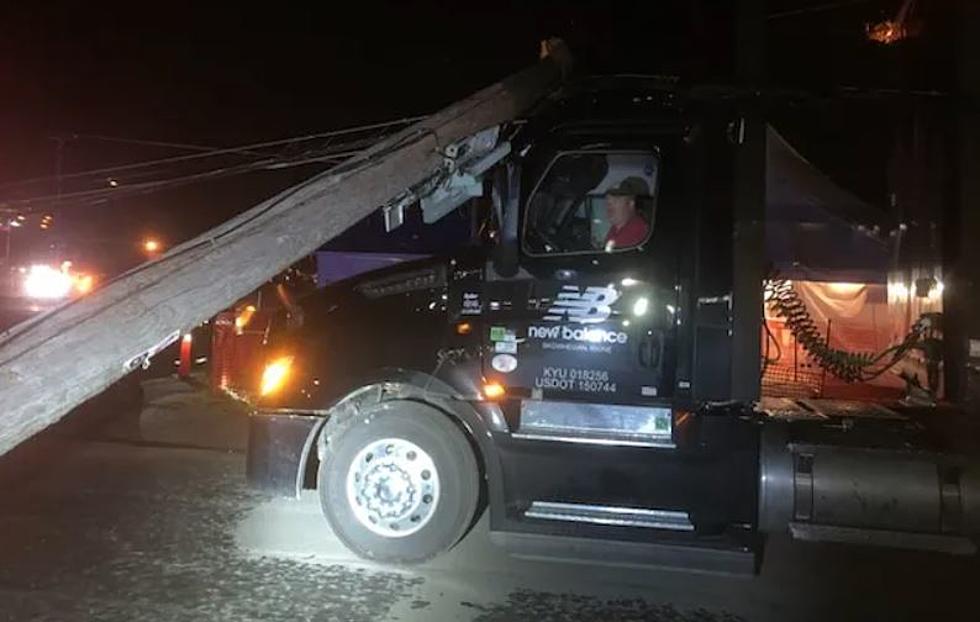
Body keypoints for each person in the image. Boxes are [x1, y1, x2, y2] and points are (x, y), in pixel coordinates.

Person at [603, 176, 650, 251]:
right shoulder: (616, 228)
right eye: (608, 201)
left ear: (631, 204)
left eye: (616, 200)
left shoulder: (638, 229)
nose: (609, 206)